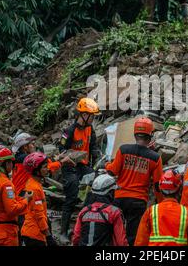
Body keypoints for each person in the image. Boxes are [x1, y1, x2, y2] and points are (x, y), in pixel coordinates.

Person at [105, 116, 163, 245]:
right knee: (133, 236)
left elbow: (112, 172)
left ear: (135, 134)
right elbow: (158, 185)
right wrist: (161, 203)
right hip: (138, 201)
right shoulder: (155, 158)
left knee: (114, 233)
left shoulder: (123, 149)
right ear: (150, 135)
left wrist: (107, 164)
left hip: (119, 198)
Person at [59, 97, 102, 244]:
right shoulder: (69, 131)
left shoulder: (90, 130)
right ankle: (63, 232)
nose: (93, 119)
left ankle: (81, 223)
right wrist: (70, 156)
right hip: (69, 167)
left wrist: (98, 158)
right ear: (83, 115)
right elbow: (61, 150)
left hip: (83, 166)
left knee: (94, 185)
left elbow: (93, 147)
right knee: (71, 194)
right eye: (92, 116)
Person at [0, 145, 31, 246]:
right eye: (11, 162)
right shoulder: (6, 184)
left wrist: (20, 199)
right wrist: (26, 200)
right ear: (7, 163)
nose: (12, 166)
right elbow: (11, 210)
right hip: (4, 234)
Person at [135, 169, 188, 246]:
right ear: (180, 189)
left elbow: (140, 242)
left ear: (160, 189)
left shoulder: (151, 212)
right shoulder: (187, 213)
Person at [72, 174, 128, 246]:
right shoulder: (114, 212)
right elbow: (121, 242)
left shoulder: (84, 211)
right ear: (110, 193)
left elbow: (76, 238)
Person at [20, 152, 51, 246]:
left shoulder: (34, 183)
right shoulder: (34, 188)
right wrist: (48, 235)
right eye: (45, 167)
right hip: (35, 233)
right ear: (37, 171)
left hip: (33, 231)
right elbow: (38, 214)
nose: (47, 169)